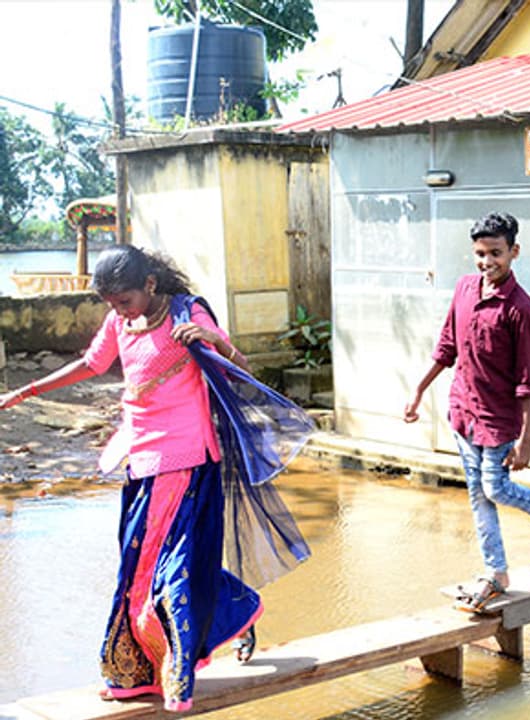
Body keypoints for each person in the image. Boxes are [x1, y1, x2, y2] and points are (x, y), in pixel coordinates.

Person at [0, 245, 313, 712]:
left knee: (166, 575)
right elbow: (91, 364)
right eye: (109, 303)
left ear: (149, 285)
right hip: (141, 460)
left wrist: (212, 339)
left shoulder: (188, 312)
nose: (117, 310)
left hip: (188, 460)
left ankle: (178, 676)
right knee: (138, 569)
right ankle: (233, 610)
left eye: (122, 300)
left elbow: (239, 366)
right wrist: (27, 389)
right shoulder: (121, 322)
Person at [404, 212, 530, 612]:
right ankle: (496, 572)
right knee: (477, 495)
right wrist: (418, 390)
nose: (487, 262)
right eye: (481, 254)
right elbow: (446, 347)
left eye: (496, 253)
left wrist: (527, 441)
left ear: (514, 252)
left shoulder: (522, 310)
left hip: (499, 419)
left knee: (495, 488)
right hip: (463, 410)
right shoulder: (465, 289)